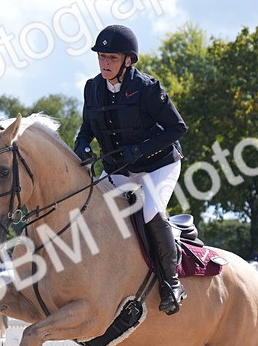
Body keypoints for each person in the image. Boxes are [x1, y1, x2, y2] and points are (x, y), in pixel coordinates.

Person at [72, 24, 188, 315]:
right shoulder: (93, 88)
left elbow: (177, 128)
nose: (105, 63)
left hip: (158, 166)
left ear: (127, 60)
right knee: (88, 210)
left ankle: (171, 283)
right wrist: (82, 145)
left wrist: (141, 148)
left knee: (149, 210)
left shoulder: (147, 88)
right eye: (101, 57)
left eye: (111, 58)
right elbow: (86, 128)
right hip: (120, 169)